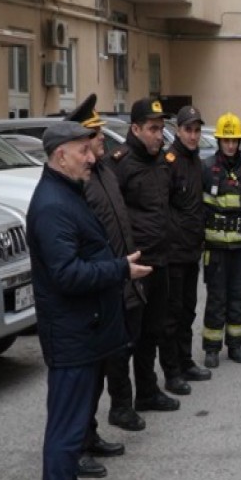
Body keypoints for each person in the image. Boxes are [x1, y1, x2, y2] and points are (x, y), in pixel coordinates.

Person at [29, 121, 151, 480]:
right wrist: (120, 268)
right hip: (71, 334)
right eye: (84, 150)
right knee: (65, 428)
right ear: (61, 154)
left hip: (85, 329)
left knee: (78, 420)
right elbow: (66, 274)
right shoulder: (51, 205)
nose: (93, 156)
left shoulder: (66, 192)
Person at [65, 95, 144, 447]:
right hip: (96, 284)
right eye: (95, 135)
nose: (101, 139)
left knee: (117, 352)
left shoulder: (104, 170)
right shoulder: (76, 182)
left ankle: (93, 432)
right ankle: (81, 438)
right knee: (90, 372)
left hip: (115, 277)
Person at [110, 97, 180, 412]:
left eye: (161, 128)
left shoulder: (162, 161)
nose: (158, 135)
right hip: (135, 265)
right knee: (128, 337)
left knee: (153, 331)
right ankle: (121, 405)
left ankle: (147, 393)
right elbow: (113, 217)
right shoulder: (121, 164)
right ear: (135, 129)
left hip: (161, 260)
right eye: (152, 129)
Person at [201, 112, 241, 367]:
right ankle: (212, 349)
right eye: (226, 140)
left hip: (240, 250)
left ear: (240, 142)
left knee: (237, 297)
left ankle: (235, 346)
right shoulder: (206, 170)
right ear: (219, 142)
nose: (230, 145)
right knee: (216, 298)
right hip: (214, 249)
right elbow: (199, 210)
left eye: (234, 140)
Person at [164, 105, 214, 387]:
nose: (194, 136)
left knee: (188, 311)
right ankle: (172, 372)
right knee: (171, 316)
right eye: (188, 130)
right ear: (178, 131)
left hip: (192, 251)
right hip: (173, 253)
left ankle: (185, 362)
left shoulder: (196, 162)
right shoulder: (169, 162)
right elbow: (164, 208)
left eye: (196, 130)